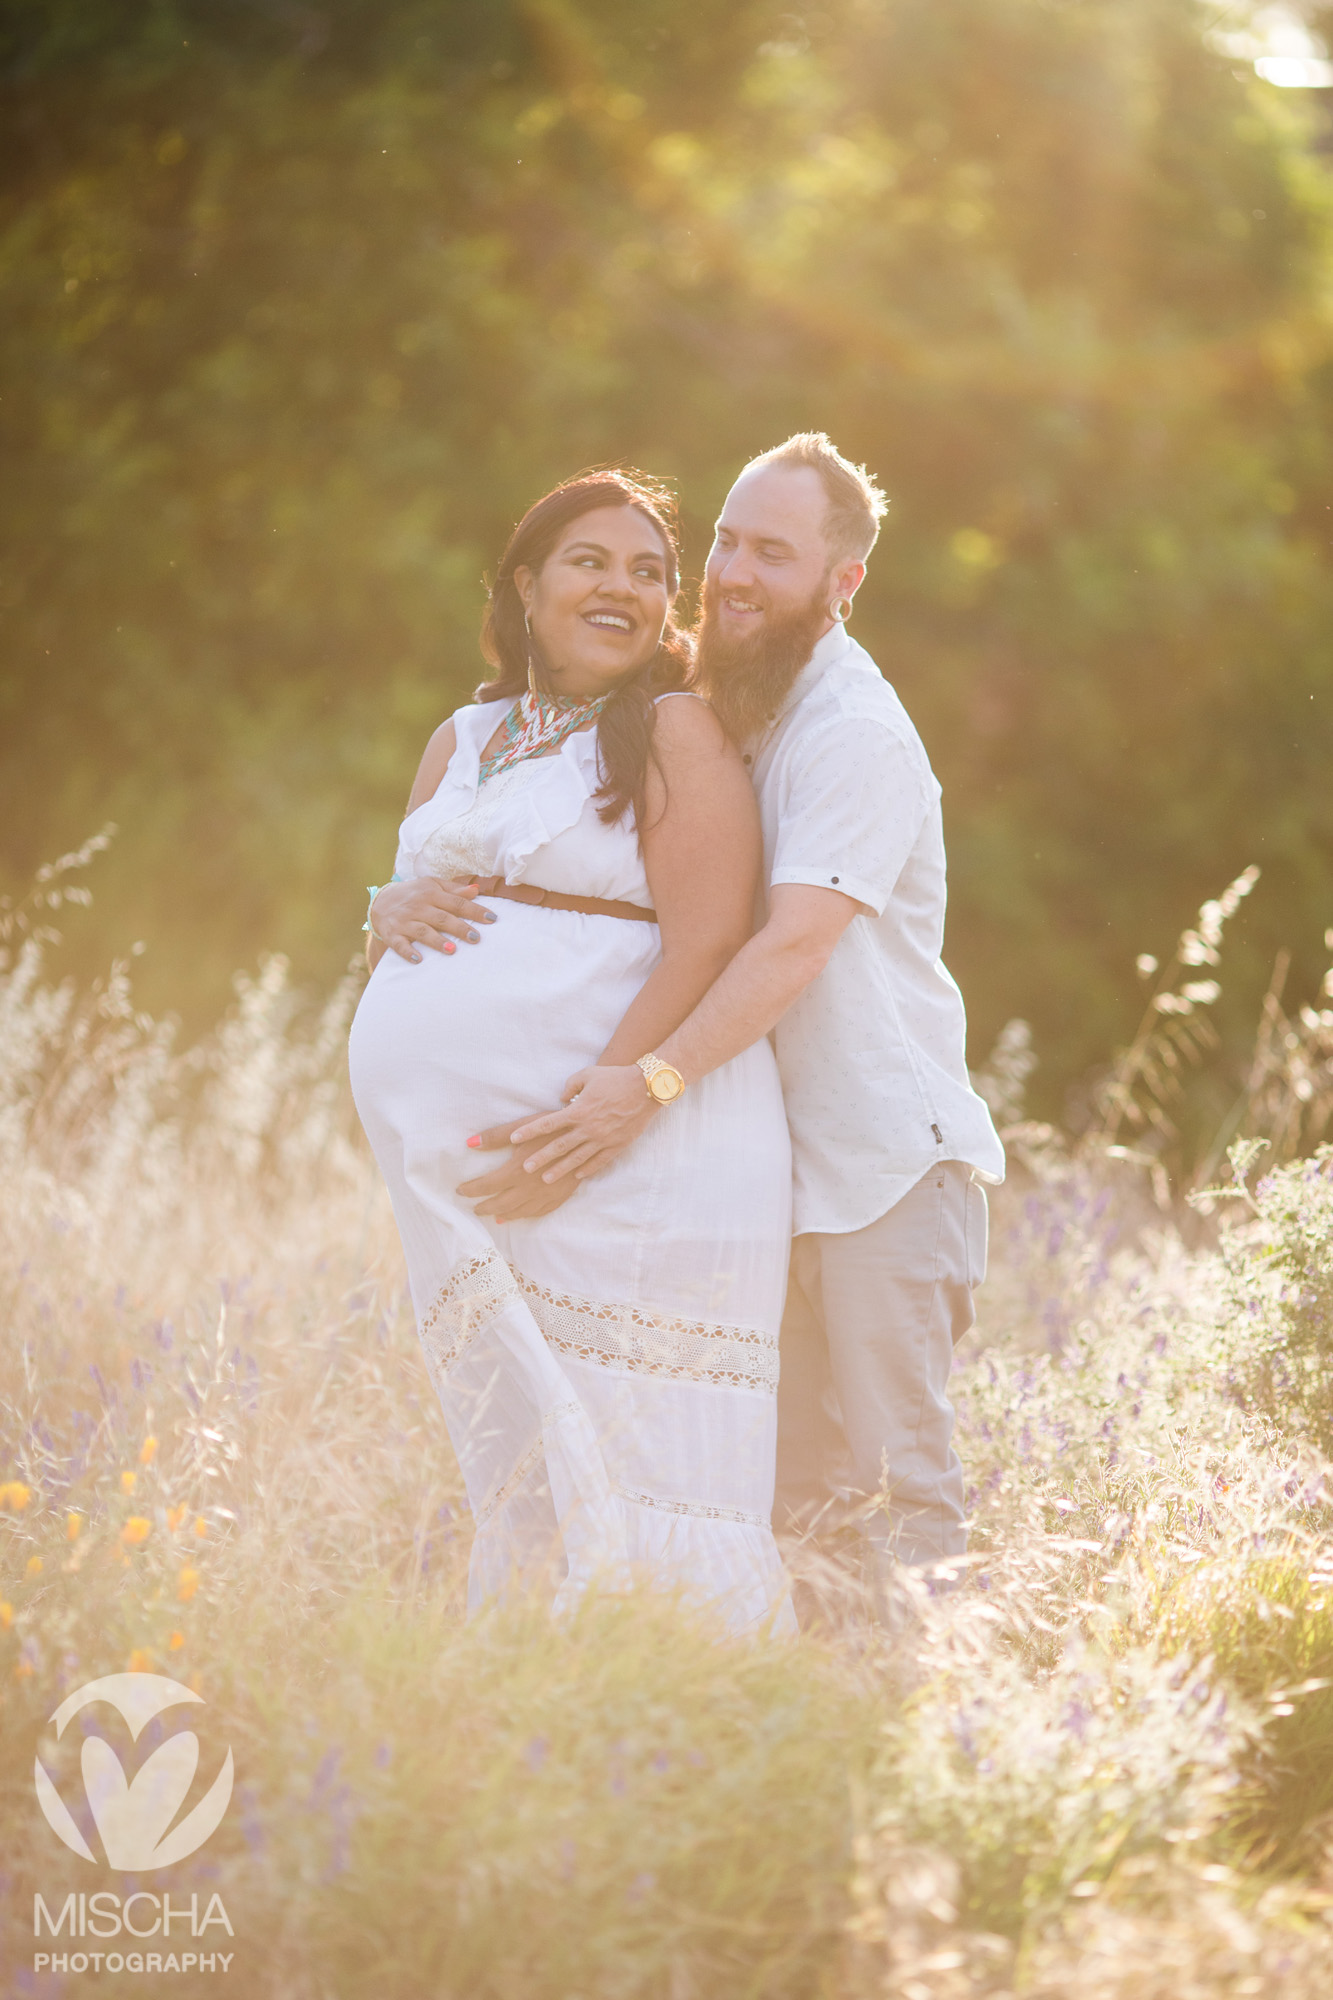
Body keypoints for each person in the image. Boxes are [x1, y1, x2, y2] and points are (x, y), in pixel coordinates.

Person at [472, 435, 1004, 1588]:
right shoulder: (731, 695)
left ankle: (948, 1716)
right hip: (767, 1177)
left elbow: (791, 943)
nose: (734, 572)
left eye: (773, 550)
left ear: (841, 582)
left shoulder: (849, 731)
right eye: (724, 538)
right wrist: (412, 885)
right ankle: (806, 1726)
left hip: (879, 1175)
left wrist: (648, 1083)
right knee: (790, 1502)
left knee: (905, 1494)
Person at [347, 469, 796, 1635]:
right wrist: (382, 914)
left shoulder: (675, 731)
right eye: (592, 560)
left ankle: (672, 1691)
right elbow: (423, 901)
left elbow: (706, 944)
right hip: (481, 1184)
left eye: (650, 572)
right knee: (525, 1442)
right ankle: (537, 1690)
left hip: (631, 1152)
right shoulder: (465, 734)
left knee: (637, 1442)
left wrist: (603, 1111)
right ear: (527, 585)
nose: (624, 587)